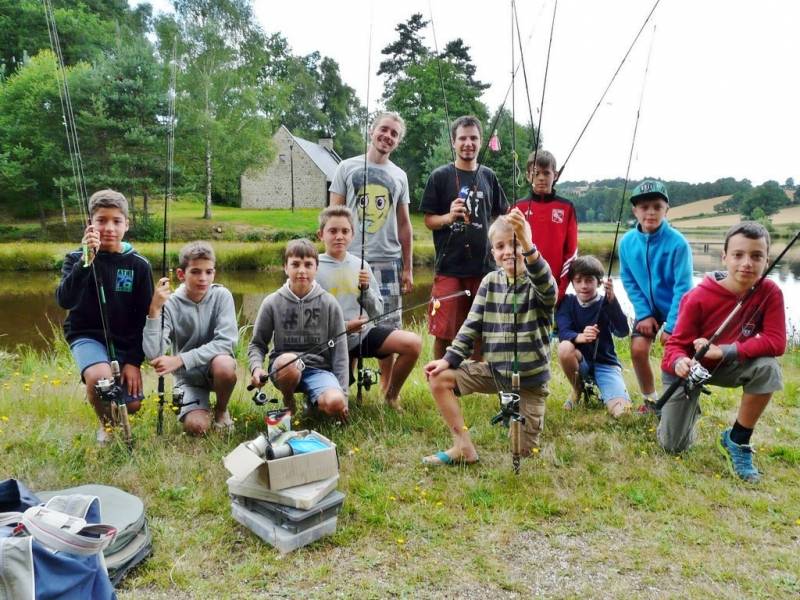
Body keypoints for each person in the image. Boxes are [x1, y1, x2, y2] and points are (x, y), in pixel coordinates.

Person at [422, 208, 556, 465]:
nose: (509, 251)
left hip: (530, 381)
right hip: (495, 372)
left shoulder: (537, 281)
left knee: (523, 451)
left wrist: (527, 243)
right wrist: (449, 360)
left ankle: (517, 411)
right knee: (438, 377)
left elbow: (548, 290)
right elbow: (471, 326)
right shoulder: (489, 282)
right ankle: (463, 447)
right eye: (500, 246)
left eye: (515, 243)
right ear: (493, 253)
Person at [659, 222, 785, 483]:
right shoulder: (696, 297)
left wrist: (726, 351)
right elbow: (674, 346)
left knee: (768, 368)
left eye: (756, 256)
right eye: (738, 255)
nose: (747, 263)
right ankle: (686, 409)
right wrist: (681, 362)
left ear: (767, 260)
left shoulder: (770, 292)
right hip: (690, 369)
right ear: (724, 257)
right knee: (672, 446)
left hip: (728, 361)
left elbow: (776, 342)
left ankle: (737, 440)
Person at [56, 189, 153, 444]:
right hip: (86, 335)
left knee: (131, 406)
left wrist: (133, 361)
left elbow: (143, 318)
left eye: (116, 221)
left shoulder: (139, 265)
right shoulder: (75, 259)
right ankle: (107, 428)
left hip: (123, 341)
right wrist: (85, 262)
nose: (109, 227)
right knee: (101, 380)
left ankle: (108, 393)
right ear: (91, 224)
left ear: (126, 225)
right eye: (101, 220)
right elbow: (64, 300)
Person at [329, 110, 413, 391]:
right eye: (384, 130)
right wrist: (331, 258)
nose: (387, 136)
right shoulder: (345, 168)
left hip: (388, 262)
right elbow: (332, 215)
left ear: (398, 141)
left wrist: (408, 267)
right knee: (349, 324)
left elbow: (404, 224)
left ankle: (387, 390)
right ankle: (344, 388)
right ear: (372, 130)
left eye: (394, 134)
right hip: (350, 261)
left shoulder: (400, 176)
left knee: (386, 327)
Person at [420, 115, 509, 359]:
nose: (468, 143)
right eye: (462, 138)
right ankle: (438, 377)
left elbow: (502, 215)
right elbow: (428, 220)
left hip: (484, 269)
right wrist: (448, 217)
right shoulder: (439, 176)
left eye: (473, 138)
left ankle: (474, 379)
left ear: (481, 142)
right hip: (449, 267)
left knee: (480, 330)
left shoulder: (489, 176)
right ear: (453, 142)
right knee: (444, 331)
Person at [315, 206, 422, 411]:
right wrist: (345, 326)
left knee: (413, 343)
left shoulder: (360, 265)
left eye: (345, 231)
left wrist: (365, 291)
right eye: (333, 231)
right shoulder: (313, 266)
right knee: (331, 404)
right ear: (321, 235)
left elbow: (377, 312)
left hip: (362, 335)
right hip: (328, 341)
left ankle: (391, 396)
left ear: (352, 235)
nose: (339, 236)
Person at [142, 242, 238, 435]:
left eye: (208, 272)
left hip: (215, 370)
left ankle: (221, 410)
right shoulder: (169, 303)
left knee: (225, 364)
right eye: (195, 272)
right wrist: (154, 310)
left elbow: (226, 342)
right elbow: (153, 354)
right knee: (197, 428)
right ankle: (196, 408)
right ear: (180, 274)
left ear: (214, 273)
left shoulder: (222, 296)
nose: (203, 278)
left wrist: (180, 359)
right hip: (188, 379)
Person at [248, 239, 349, 420]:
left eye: (308, 264)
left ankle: (313, 403)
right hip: (284, 369)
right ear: (285, 267)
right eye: (295, 264)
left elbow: (340, 352)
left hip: (320, 369)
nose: (302, 270)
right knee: (290, 360)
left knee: (335, 403)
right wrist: (256, 369)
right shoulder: (272, 302)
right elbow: (257, 344)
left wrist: (344, 395)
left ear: (316, 268)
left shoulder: (329, 303)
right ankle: (288, 400)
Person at [618, 180, 693, 409]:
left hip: (677, 308)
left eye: (657, 207)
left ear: (666, 209)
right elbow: (628, 280)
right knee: (638, 349)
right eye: (644, 207)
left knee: (675, 354)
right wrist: (643, 313)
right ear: (635, 211)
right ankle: (650, 399)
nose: (650, 212)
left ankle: (680, 400)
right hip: (647, 308)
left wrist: (671, 325)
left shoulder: (678, 243)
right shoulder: (627, 242)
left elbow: (683, 287)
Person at [556, 255, 632, 417]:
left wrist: (613, 302)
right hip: (581, 361)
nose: (584, 286)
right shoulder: (567, 302)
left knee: (622, 413)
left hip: (606, 365)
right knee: (564, 347)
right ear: (572, 282)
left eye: (589, 280)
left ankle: (608, 394)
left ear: (599, 282)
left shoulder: (606, 302)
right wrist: (580, 337)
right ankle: (578, 391)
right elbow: (563, 331)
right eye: (578, 280)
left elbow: (622, 331)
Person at [515, 150, 578, 303]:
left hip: (554, 289)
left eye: (546, 173)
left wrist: (560, 290)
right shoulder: (517, 208)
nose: (541, 178)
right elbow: (510, 249)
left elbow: (571, 252)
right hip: (522, 289)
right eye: (536, 173)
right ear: (528, 175)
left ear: (555, 175)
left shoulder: (566, 207)